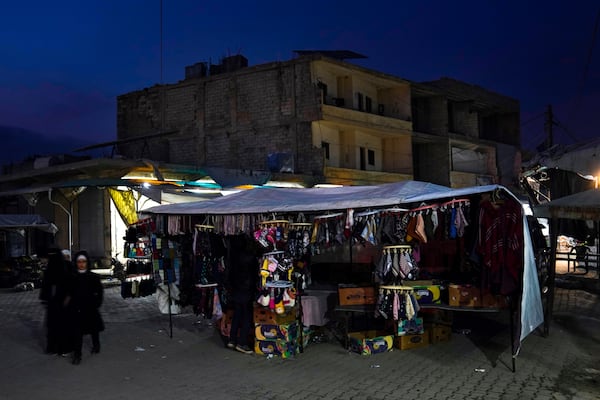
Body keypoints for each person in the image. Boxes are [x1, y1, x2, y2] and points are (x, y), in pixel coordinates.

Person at [65, 251, 104, 365]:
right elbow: (69, 293)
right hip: (77, 309)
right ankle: (78, 355)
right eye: (79, 262)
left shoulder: (93, 277)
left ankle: (96, 345)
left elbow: (99, 292)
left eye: (83, 262)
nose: (81, 264)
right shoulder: (72, 277)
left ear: (87, 262)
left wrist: (96, 304)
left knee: (93, 330)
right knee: (77, 333)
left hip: (91, 308)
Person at [227, 235, 259, 354]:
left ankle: (232, 340)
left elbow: (230, 273)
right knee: (246, 316)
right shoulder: (252, 258)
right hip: (246, 290)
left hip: (236, 289)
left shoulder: (235, 257)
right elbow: (255, 275)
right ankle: (242, 343)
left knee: (237, 314)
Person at [39, 248, 71, 355]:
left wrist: (67, 297)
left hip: (60, 302)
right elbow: (46, 286)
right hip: (54, 302)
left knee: (59, 326)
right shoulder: (53, 268)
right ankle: (55, 348)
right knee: (54, 326)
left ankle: (61, 348)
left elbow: (67, 285)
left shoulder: (61, 268)